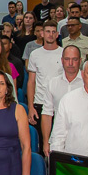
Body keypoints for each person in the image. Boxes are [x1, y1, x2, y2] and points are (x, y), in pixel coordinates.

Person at [26, 20, 63, 149]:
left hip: (60, 104)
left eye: (53, 32)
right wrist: (31, 107)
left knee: (60, 143)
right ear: (42, 33)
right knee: (43, 144)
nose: (50, 35)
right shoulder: (35, 54)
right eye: (48, 31)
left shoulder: (64, 53)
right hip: (40, 103)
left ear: (57, 34)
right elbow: (31, 82)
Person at [41, 46, 83, 156]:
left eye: (74, 59)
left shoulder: (87, 83)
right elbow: (47, 113)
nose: (70, 63)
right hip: (58, 139)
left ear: (80, 60)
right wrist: (46, 142)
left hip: (82, 139)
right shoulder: (53, 83)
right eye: (67, 59)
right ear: (61, 60)